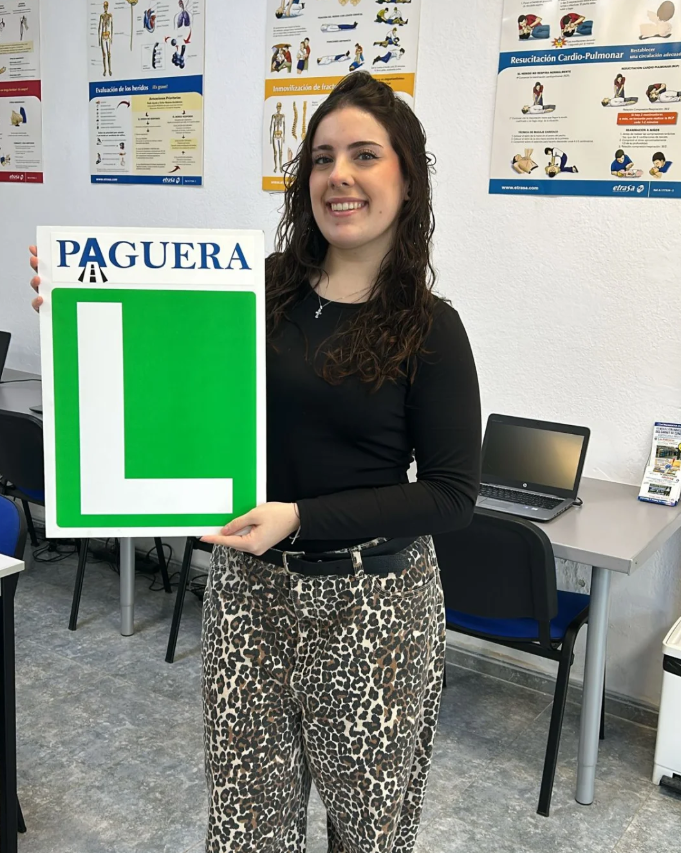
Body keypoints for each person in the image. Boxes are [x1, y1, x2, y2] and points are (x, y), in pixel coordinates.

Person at [29, 71, 481, 853]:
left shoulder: (431, 328)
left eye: (364, 156)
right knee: (245, 825)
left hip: (372, 612)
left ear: (407, 181)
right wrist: (78, 302)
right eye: (320, 158)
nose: (337, 175)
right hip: (248, 599)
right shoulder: (258, 287)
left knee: (367, 832)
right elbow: (176, 368)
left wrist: (301, 519)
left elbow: (449, 495)